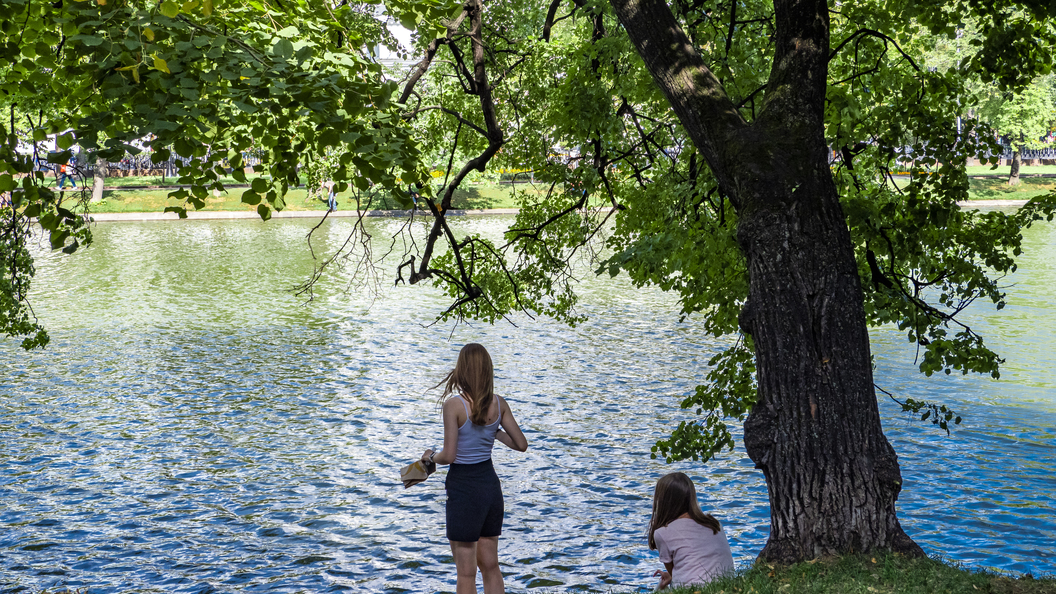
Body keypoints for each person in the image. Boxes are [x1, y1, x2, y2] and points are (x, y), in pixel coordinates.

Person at [421, 343, 528, 594]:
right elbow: (521, 444)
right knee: (491, 566)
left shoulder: (454, 405)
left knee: (466, 573)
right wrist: (495, 431)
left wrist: (429, 457)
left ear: (463, 370)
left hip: (464, 489)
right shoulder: (499, 404)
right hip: (490, 488)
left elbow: (449, 455)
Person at [648, 472, 735, 590]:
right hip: (727, 588)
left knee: (659, 589)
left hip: (692, 590)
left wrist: (672, 576)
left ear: (662, 501)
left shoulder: (662, 533)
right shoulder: (715, 524)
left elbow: (675, 574)